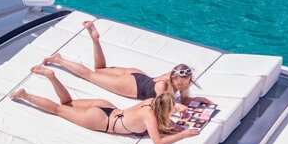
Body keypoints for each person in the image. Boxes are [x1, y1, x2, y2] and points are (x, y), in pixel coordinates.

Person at [11, 67, 200, 144]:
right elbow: (158, 143)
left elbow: (164, 120)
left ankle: (53, 76)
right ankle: (25, 95)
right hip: (102, 120)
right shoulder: (150, 116)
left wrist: (174, 126)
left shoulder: (149, 104)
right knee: (58, 110)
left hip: (107, 108)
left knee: (66, 104)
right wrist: (182, 134)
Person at [45, 20, 213, 108]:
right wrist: (179, 107)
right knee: (90, 75)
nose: (183, 85)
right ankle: (59, 59)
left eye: (186, 82)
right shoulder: (163, 85)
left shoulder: (177, 78)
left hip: (137, 75)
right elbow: (166, 105)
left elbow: (182, 100)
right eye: (181, 83)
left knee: (99, 69)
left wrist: (195, 99)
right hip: (131, 86)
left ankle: (95, 39)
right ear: (174, 77)